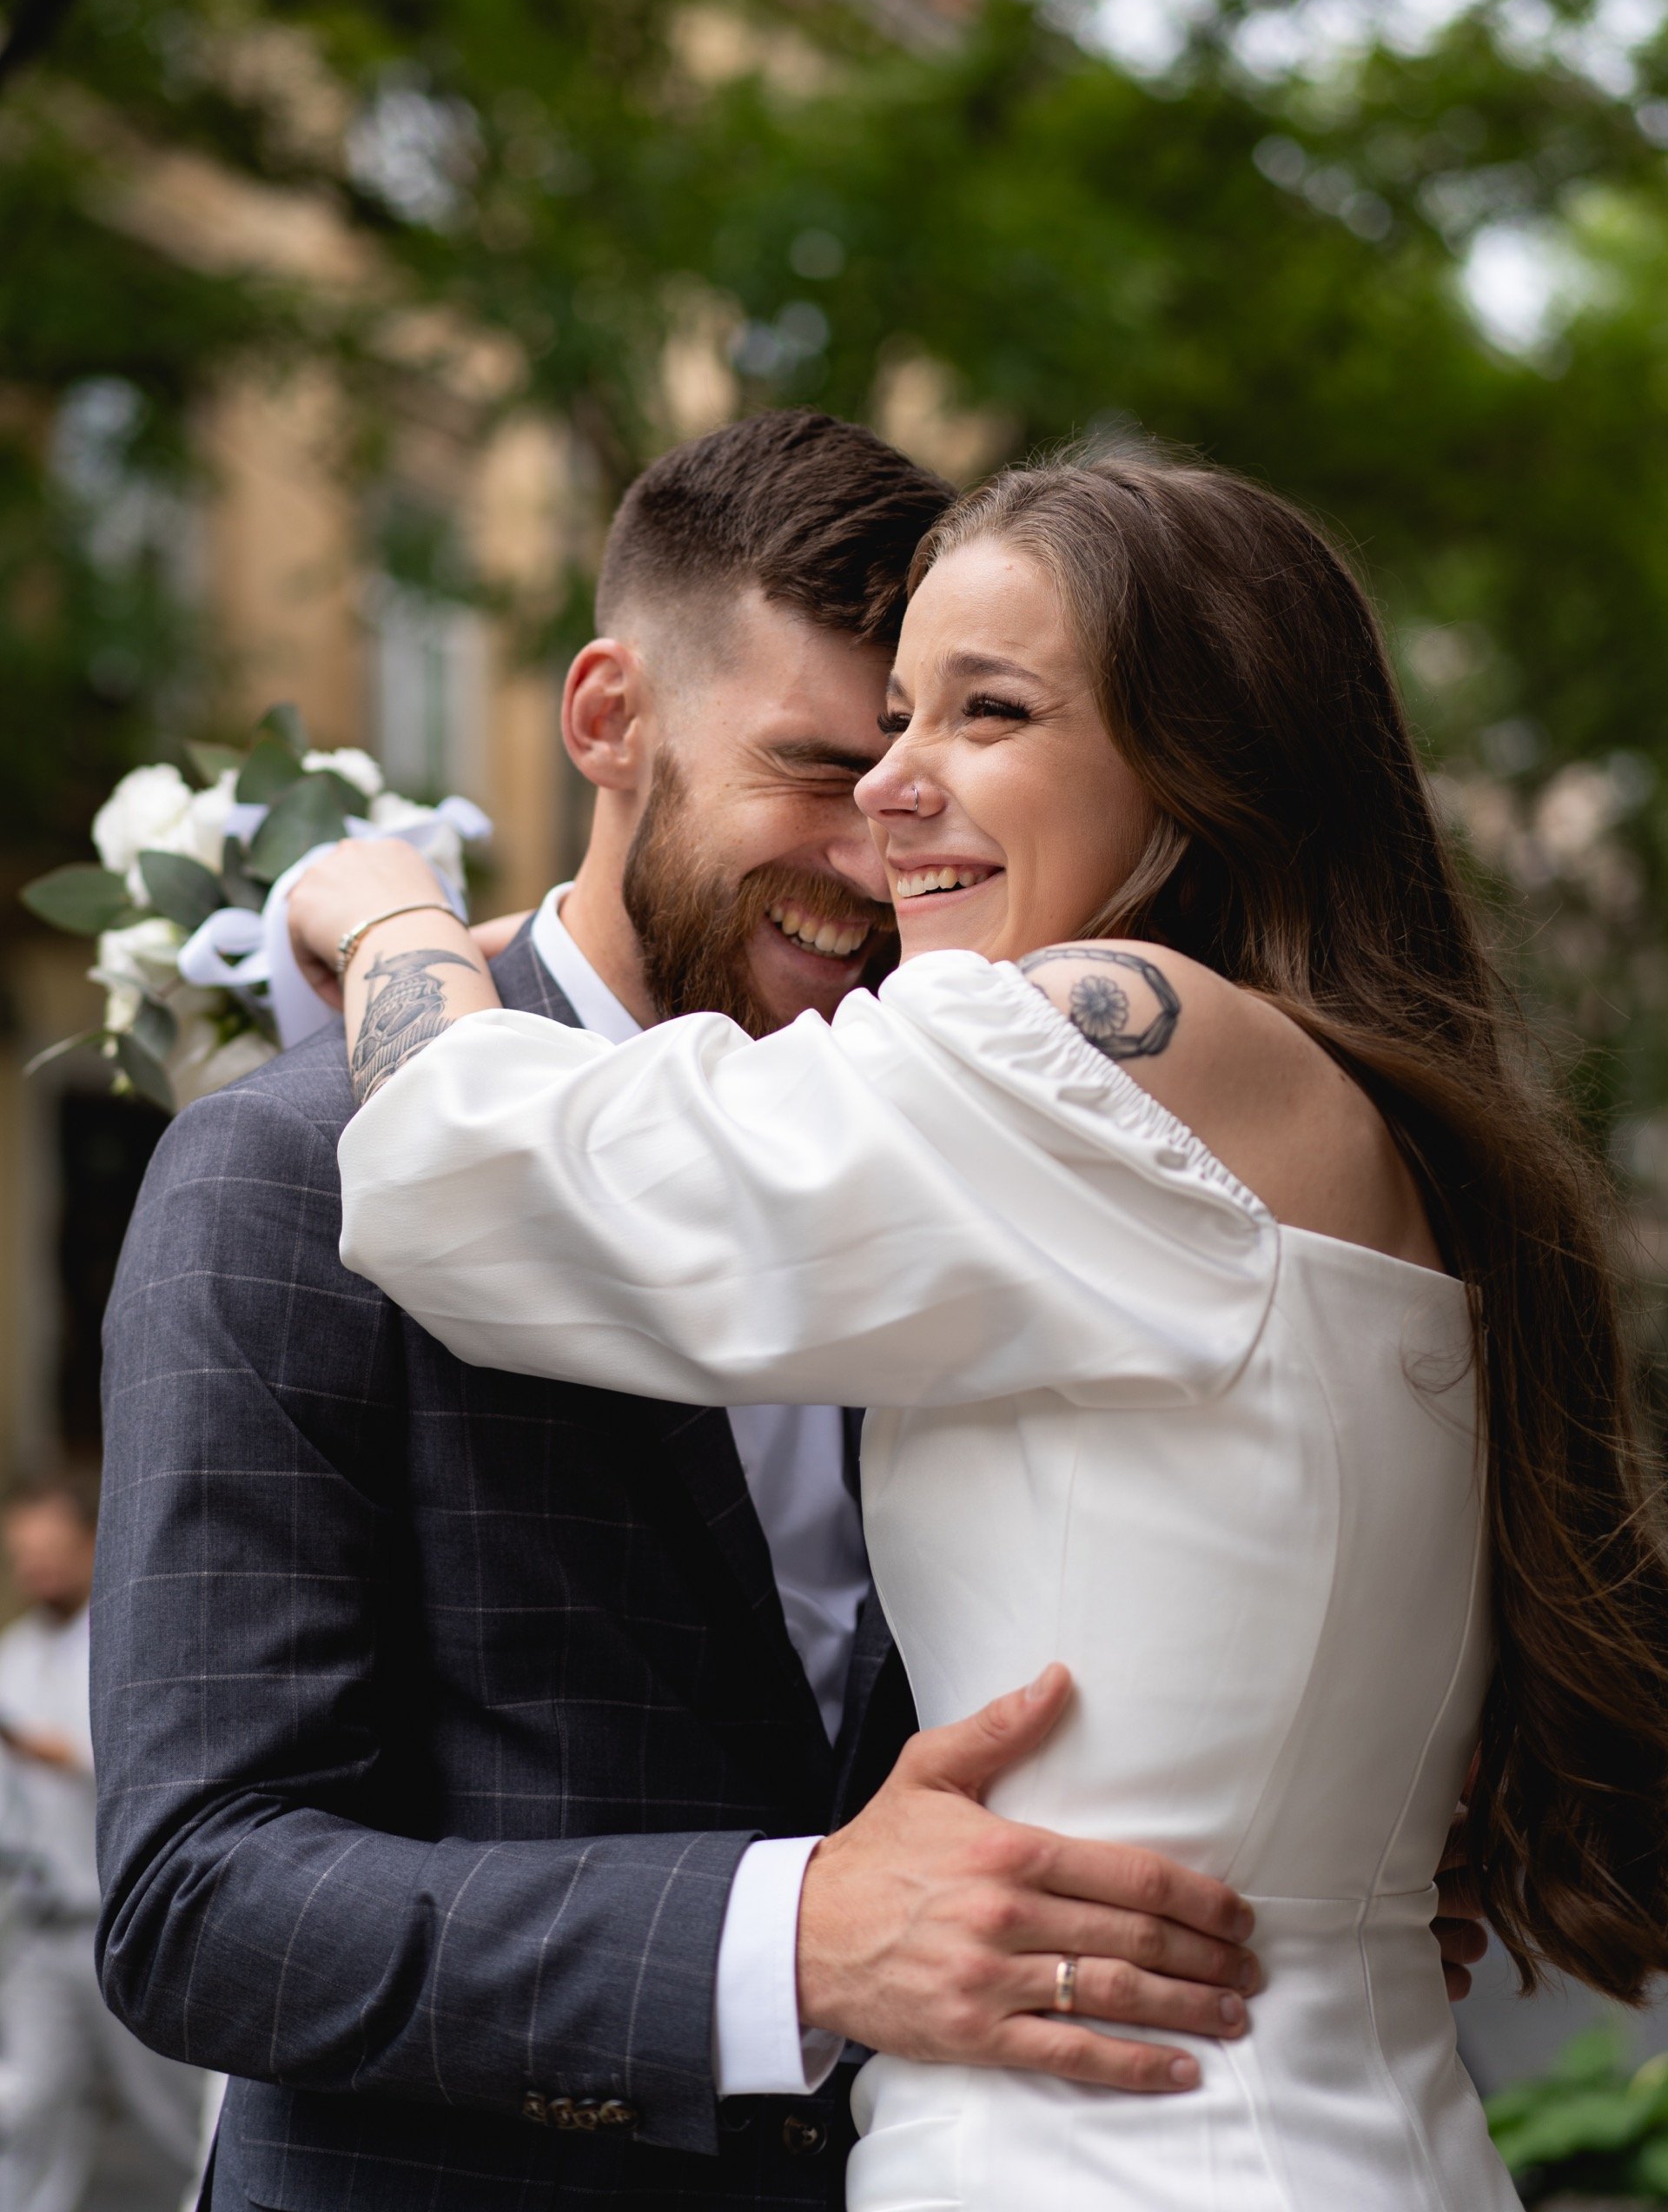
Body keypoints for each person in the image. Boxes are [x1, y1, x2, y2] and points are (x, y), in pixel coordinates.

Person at [310, 452, 1668, 2211]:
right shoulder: (1353, 1104)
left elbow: (486, 1185)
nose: (891, 785)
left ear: (1208, 761)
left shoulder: (1123, 1029)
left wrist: (391, 914)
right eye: (889, 718)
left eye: (991, 712)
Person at [94, 413, 1300, 2212]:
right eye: (817, 768)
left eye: (931, 762)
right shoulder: (286, 1172)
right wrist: (789, 1942)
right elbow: (204, 1901)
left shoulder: (1015, 1147)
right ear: (608, 719)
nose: (883, 850)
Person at [0, 1474, 204, 2212]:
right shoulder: (15, 1654)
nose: (38, 1570)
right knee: (26, 2110)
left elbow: (156, 1764)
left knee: (173, 2115)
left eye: (52, 1551)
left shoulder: (129, 1640)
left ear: (90, 1544)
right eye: (24, 1555)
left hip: (128, 1933)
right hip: (41, 1929)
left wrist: (51, 1754)